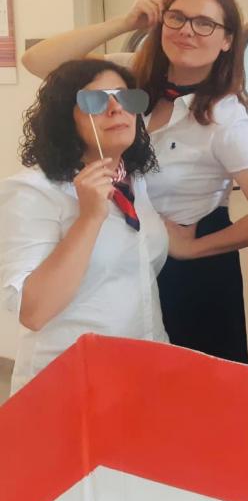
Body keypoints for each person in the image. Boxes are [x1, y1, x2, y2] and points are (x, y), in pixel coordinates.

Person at [21, 0, 248, 363]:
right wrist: (124, 23)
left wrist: (194, 248)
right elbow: (37, 61)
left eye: (205, 23)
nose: (187, 30)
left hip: (191, 274)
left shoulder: (226, 119)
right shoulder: (127, 81)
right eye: (177, 17)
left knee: (190, 383)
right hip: (111, 252)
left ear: (227, 41)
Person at [0, 59, 166, 393]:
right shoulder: (32, 191)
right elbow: (34, 312)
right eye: (95, 101)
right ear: (65, 117)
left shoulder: (133, 182)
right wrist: (89, 218)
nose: (116, 108)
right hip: (70, 380)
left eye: (126, 97)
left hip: (144, 365)